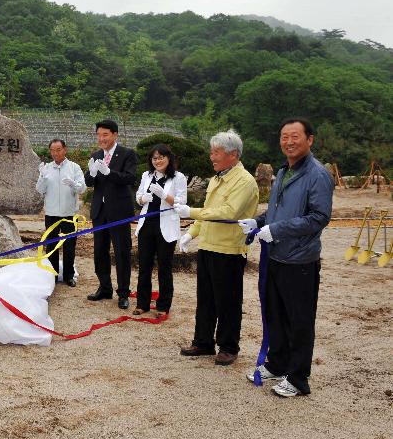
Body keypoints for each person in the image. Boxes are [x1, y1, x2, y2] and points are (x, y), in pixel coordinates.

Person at [238, 118, 333, 397]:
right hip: (276, 257)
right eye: (284, 137)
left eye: (295, 137)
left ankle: (299, 377)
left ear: (310, 139)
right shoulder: (283, 171)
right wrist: (258, 222)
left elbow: (319, 217)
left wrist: (276, 229)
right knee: (275, 314)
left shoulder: (317, 174)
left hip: (300, 261)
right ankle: (278, 363)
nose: (289, 142)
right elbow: (277, 212)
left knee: (299, 320)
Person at [174, 129, 259, 366]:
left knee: (228, 301)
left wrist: (189, 211)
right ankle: (203, 341)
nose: (212, 156)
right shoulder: (217, 178)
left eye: (216, 152)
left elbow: (227, 212)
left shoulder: (244, 181)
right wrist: (190, 233)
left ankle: (229, 346)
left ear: (233, 155)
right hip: (208, 246)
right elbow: (208, 211)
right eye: (211, 152)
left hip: (229, 250)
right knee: (206, 298)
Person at [84, 119, 137, 309]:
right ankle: (104, 287)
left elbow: (130, 178)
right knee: (99, 251)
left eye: (105, 134)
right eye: (98, 135)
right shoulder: (96, 154)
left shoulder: (127, 154)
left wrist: (109, 172)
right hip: (100, 211)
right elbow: (90, 182)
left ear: (115, 134)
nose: (101, 138)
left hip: (119, 212)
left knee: (122, 252)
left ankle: (123, 293)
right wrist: (90, 173)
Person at [132, 144, 187, 316]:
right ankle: (142, 303)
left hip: (166, 225)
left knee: (164, 266)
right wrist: (143, 198)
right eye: (154, 158)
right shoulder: (146, 176)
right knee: (145, 265)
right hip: (147, 223)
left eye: (161, 157)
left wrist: (164, 195)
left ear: (169, 158)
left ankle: (163, 306)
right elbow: (138, 196)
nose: (158, 161)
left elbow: (181, 203)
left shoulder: (178, 177)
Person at [35, 139, 86, 286]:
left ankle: (69, 275)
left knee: (70, 245)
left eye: (58, 149)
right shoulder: (47, 168)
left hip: (69, 213)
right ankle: (53, 275)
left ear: (65, 150)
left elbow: (82, 188)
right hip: (51, 213)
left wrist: (73, 184)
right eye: (52, 150)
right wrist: (43, 177)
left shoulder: (74, 167)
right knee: (51, 245)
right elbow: (40, 189)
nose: (55, 153)